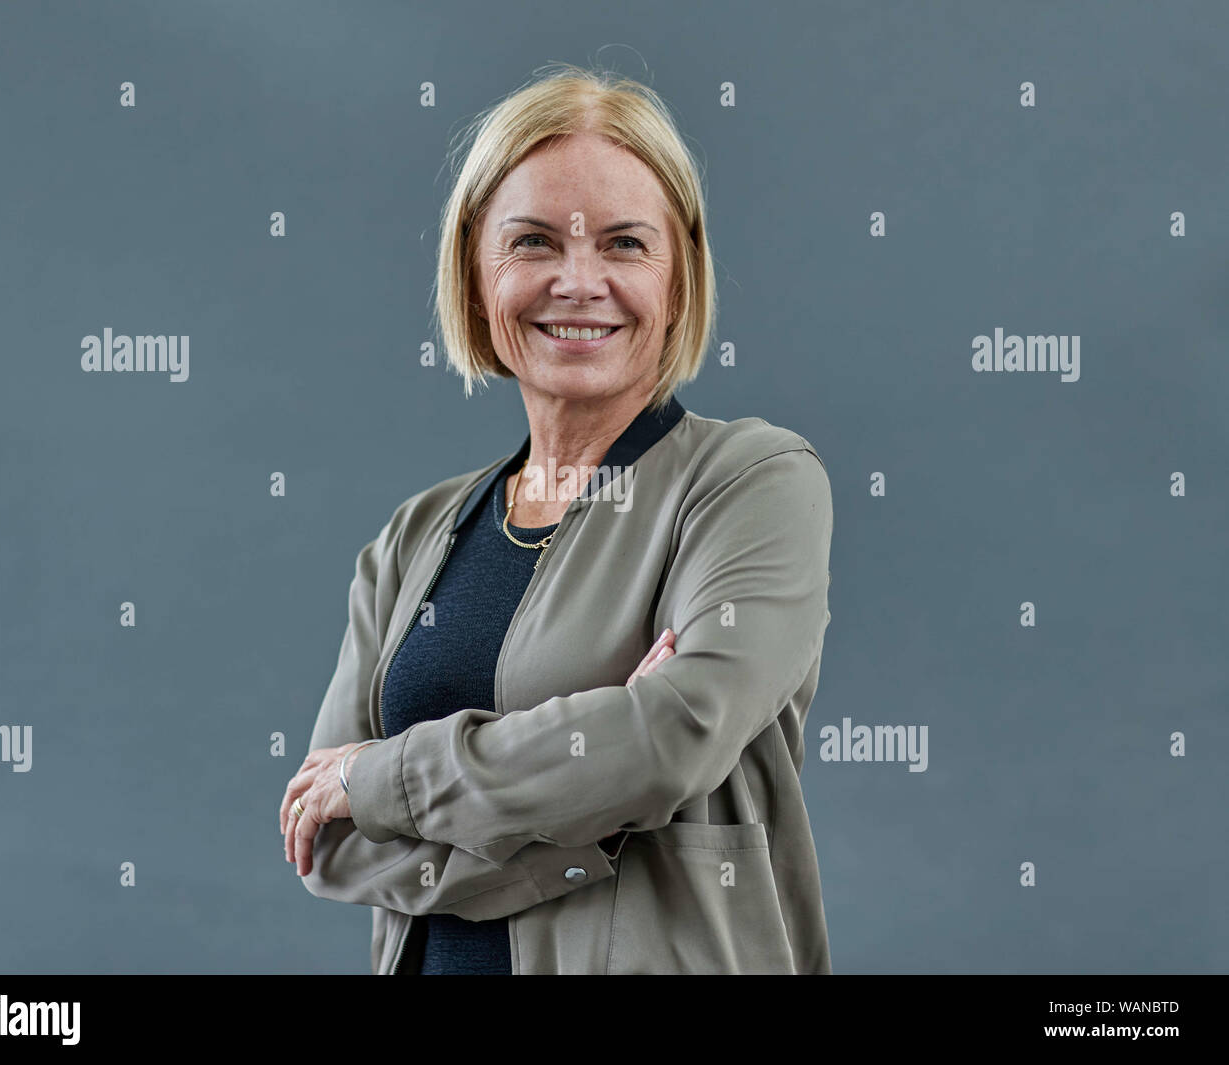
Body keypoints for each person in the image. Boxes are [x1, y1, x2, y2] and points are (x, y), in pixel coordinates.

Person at [278, 63, 834, 975]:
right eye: (533, 242)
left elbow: (670, 739)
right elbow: (330, 843)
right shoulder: (414, 538)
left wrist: (383, 780)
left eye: (624, 244)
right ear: (474, 267)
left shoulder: (752, 482)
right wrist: (593, 797)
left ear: (680, 272)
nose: (579, 282)